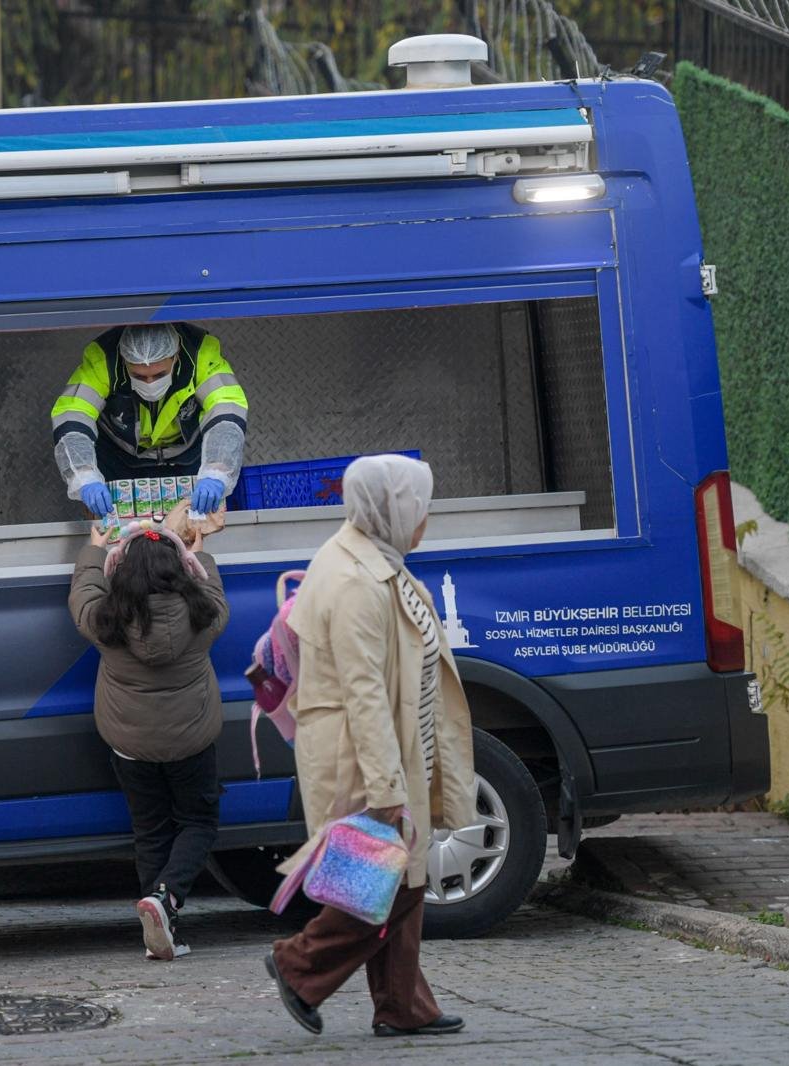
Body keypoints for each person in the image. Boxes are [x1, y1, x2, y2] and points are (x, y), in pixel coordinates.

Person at [262, 453, 478, 1038]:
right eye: (419, 506)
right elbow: (363, 693)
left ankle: (404, 1005)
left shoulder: (371, 555)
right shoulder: (357, 580)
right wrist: (386, 788)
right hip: (363, 753)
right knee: (391, 880)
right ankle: (299, 964)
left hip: (391, 742)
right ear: (393, 509)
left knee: (398, 876)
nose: (426, 518)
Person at [68, 516, 230, 961]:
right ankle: (166, 899)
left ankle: (157, 920)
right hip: (192, 741)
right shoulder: (206, 616)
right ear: (181, 572)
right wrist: (198, 552)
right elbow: (211, 586)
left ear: (121, 570)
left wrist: (95, 548)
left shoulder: (106, 622)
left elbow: (83, 595)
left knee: (150, 831)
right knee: (198, 824)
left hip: (131, 745)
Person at [50, 323, 248, 521]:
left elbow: (226, 409)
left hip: (186, 455)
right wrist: (85, 476)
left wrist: (217, 470)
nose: (150, 383)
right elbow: (73, 415)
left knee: (191, 527)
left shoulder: (200, 354)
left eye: (160, 374)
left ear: (176, 354)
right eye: (138, 376)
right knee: (121, 533)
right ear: (124, 360)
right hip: (120, 458)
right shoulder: (104, 359)